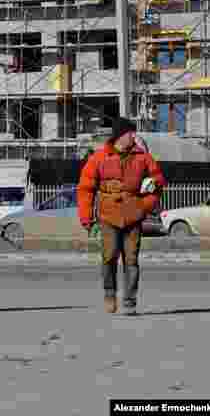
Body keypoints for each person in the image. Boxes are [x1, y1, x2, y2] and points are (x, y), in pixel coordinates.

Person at [78, 117, 165, 315]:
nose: (134, 136)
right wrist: (86, 217)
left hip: (134, 216)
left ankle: (130, 301)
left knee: (131, 261)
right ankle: (109, 293)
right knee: (108, 257)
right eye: (130, 133)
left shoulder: (143, 157)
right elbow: (85, 188)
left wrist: (145, 205)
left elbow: (159, 182)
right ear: (119, 136)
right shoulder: (99, 158)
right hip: (108, 216)